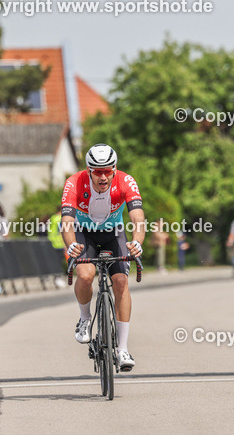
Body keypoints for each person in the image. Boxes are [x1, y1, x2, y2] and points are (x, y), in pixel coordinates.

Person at [61, 144, 146, 373]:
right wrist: (71, 246)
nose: (102, 176)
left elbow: (138, 218)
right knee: (86, 275)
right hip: (83, 233)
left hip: (114, 233)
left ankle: (123, 349)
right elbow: (67, 222)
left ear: (114, 169)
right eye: (97, 171)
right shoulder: (74, 182)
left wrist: (137, 242)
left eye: (107, 171)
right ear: (89, 170)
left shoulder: (126, 181)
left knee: (120, 282)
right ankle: (85, 317)